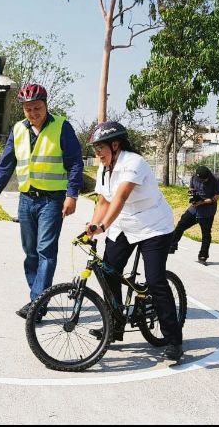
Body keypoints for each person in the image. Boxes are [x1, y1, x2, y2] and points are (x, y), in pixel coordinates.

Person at [85, 121, 184, 362]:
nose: (97, 153)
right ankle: (114, 326)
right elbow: (104, 202)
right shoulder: (104, 168)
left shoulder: (134, 162)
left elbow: (121, 197)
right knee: (108, 272)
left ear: (115, 144)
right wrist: (91, 227)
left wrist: (103, 226)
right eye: (95, 149)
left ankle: (174, 341)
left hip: (153, 226)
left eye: (101, 147)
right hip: (124, 225)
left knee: (155, 280)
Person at [0, 83, 83, 320]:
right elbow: (6, 165)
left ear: (46, 105)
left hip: (52, 200)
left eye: (37, 108)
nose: (33, 113)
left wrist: (72, 195)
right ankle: (38, 299)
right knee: (30, 253)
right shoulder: (18, 129)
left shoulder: (62, 127)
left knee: (45, 251)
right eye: (28, 109)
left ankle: (36, 304)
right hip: (26, 200)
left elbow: (76, 163)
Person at [168, 165, 219, 265]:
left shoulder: (217, 180)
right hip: (194, 208)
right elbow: (191, 187)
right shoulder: (194, 177)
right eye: (200, 179)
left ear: (208, 176)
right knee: (181, 224)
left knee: (206, 234)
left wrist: (203, 202)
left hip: (208, 211)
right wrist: (191, 193)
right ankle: (172, 245)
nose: (201, 181)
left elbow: (217, 197)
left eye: (204, 180)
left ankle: (203, 255)